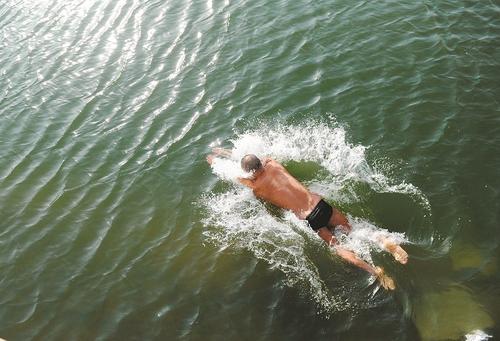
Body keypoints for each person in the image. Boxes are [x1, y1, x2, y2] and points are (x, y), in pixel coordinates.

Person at [206, 148, 408, 290]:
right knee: (352, 229)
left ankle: (375, 272)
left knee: (337, 247)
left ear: (249, 172)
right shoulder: (274, 164)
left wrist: (214, 159)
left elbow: (237, 176)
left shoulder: (256, 188)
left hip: (309, 218)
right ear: (261, 162)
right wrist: (228, 152)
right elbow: (258, 161)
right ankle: (385, 241)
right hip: (320, 204)